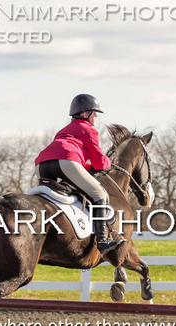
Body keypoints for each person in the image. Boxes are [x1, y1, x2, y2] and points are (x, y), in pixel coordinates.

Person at [34, 94, 125, 254]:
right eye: (95, 114)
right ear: (85, 114)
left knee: (49, 200)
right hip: (66, 161)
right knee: (100, 195)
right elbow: (99, 163)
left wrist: (86, 166)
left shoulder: (64, 130)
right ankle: (103, 241)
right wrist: (110, 162)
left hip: (42, 163)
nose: (96, 117)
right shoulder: (89, 129)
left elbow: (75, 157)